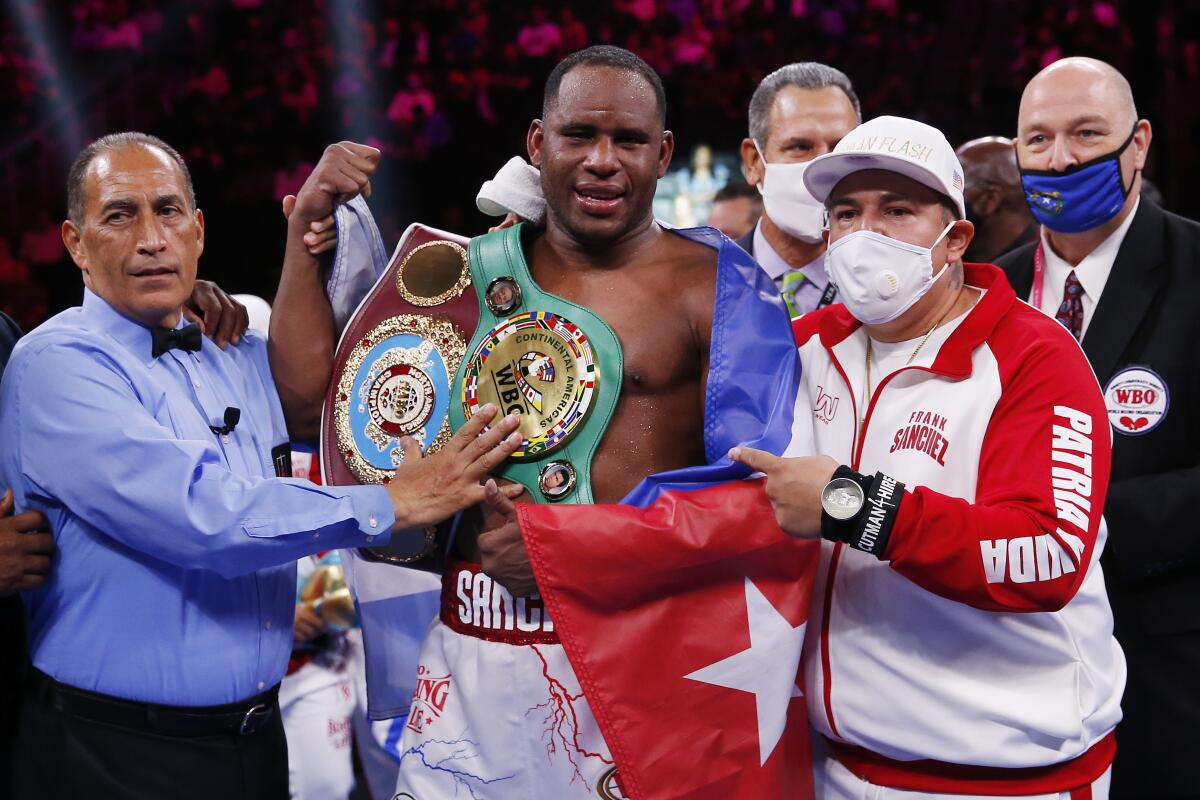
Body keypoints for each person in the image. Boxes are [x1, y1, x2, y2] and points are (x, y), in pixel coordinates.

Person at [0, 132, 524, 799]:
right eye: (119, 215)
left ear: (198, 231)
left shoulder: (231, 342)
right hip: (112, 752)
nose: (151, 237)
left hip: (254, 743)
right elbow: (204, 519)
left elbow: (314, 411)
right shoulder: (55, 365)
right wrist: (393, 502)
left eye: (167, 211)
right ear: (75, 243)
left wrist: (306, 232)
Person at [732, 115, 1124, 797]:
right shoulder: (802, 347)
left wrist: (849, 505)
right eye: (847, 213)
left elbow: (1050, 554)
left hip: (1003, 775)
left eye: (898, 210)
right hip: (834, 763)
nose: (865, 234)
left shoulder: (1035, 357)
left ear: (955, 240)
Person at [996, 56, 1200, 798]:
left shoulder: (1194, 267)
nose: (1061, 159)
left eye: (1087, 134)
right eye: (1039, 139)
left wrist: (1073, 532)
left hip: (1168, 670)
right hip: (1009, 671)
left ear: (1139, 142)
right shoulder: (991, 287)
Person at [737, 62, 861, 317]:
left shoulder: (897, 285)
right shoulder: (705, 280)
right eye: (800, 147)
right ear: (753, 163)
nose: (824, 167)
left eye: (842, 147)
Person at [955, 136, 1036, 263]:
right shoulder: (951, 265)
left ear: (989, 200)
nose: (948, 199)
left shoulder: (1040, 271)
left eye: (956, 189)